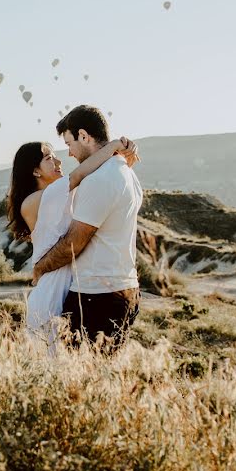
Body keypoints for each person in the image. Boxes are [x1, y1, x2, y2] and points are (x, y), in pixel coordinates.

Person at [8, 135, 137, 350]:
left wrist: (121, 160)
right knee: (53, 362)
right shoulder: (34, 201)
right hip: (52, 289)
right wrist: (114, 147)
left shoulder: (58, 195)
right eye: (49, 158)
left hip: (69, 284)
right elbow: (80, 174)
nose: (58, 162)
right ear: (35, 171)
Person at [31, 105, 143, 353]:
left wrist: (40, 267)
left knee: (79, 376)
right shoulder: (125, 171)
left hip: (97, 294)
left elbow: (74, 242)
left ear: (84, 136)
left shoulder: (99, 179)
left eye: (69, 143)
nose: (69, 153)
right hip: (123, 287)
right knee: (101, 376)